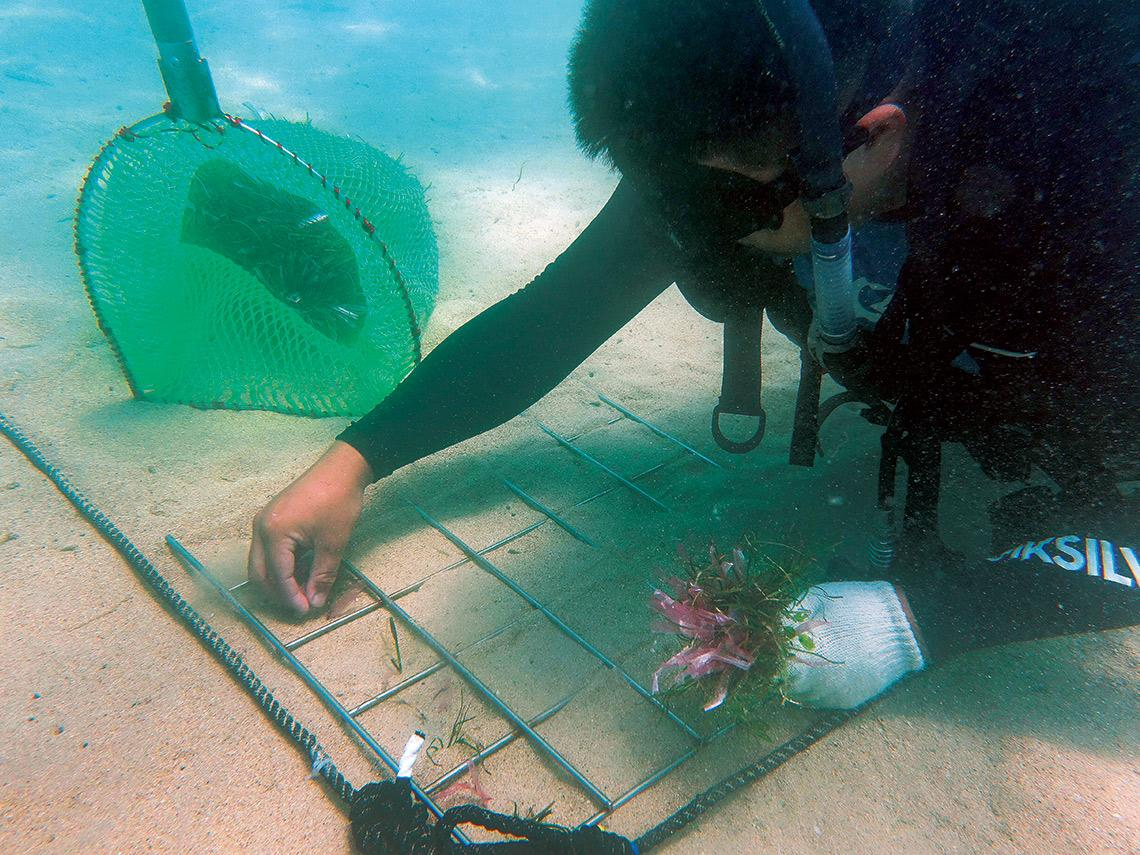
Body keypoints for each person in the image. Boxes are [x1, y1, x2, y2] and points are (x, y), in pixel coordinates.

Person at [249, 0, 1138, 709]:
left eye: (723, 204)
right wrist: (357, 457)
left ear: (873, 136)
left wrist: (922, 621)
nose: (695, 228)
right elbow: (550, 317)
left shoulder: (1097, 174)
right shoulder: (741, 138)